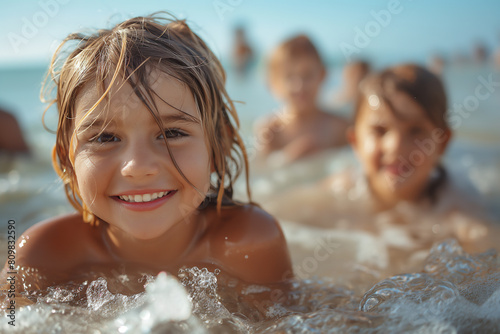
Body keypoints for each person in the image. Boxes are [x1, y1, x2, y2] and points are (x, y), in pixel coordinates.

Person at [1, 13, 292, 294]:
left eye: (171, 133)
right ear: (67, 160)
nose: (138, 167)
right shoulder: (41, 255)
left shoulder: (249, 243)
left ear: (219, 148)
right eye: (105, 137)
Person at [264, 64, 495, 272]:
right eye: (380, 131)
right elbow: (273, 214)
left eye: (416, 131)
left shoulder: (456, 207)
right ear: (355, 142)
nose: (395, 147)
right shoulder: (344, 187)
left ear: (442, 142)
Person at [255, 35, 349, 165]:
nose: (299, 85)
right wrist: (286, 158)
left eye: (307, 75)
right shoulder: (269, 131)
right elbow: (260, 174)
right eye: (290, 77)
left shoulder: (339, 127)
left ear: (322, 76)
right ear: (274, 83)